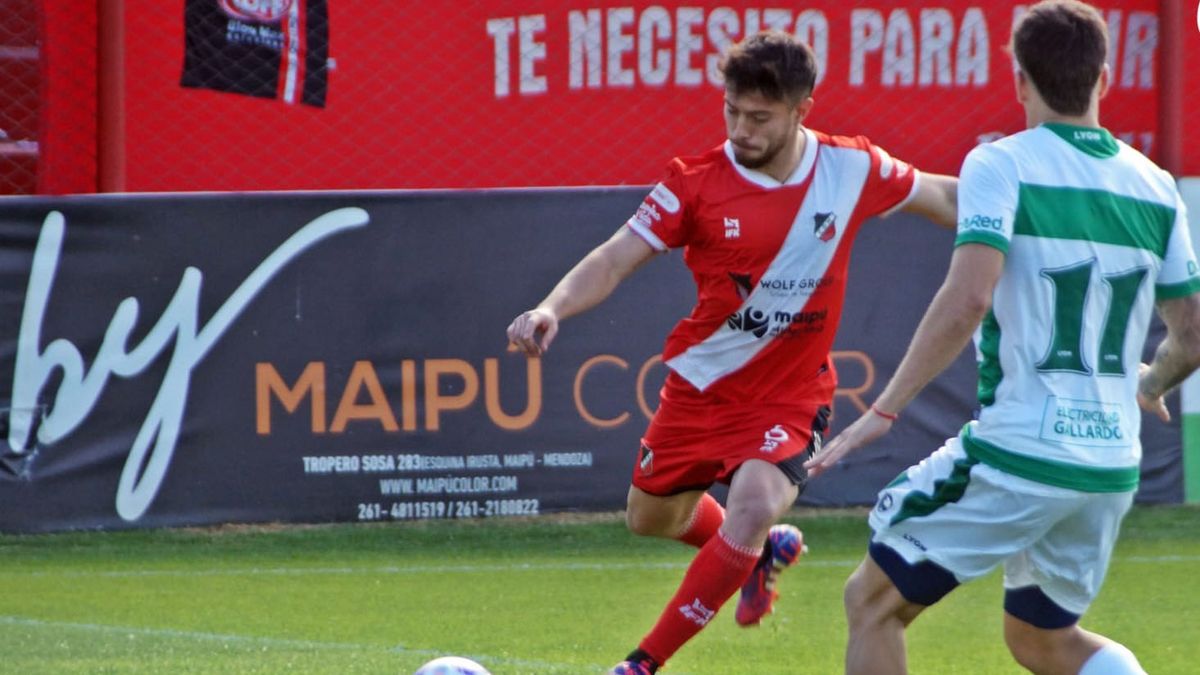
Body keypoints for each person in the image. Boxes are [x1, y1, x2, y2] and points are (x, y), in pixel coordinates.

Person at [506, 30, 957, 675]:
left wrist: (1034, 204)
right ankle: (758, 551)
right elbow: (614, 258)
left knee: (749, 505)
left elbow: (944, 198)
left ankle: (639, 664)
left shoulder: (851, 167)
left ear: (802, 109)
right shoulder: (695, 183)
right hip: (701, 386)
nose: (740, 129)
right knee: (651, 518)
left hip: (790, 394)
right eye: (732, 111)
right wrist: (552, 307)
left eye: (759, 117)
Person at [804, 2, 1200, 674]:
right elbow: (1190, 333)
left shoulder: (1002, 164)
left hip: (1024, 448)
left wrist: (884, 409)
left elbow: (968, 298)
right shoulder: (1158, 187)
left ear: (1019, 80)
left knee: (870, 601)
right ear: (1103, 79)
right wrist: (1151, 381)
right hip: (1109, 465)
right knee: (1042, 638)